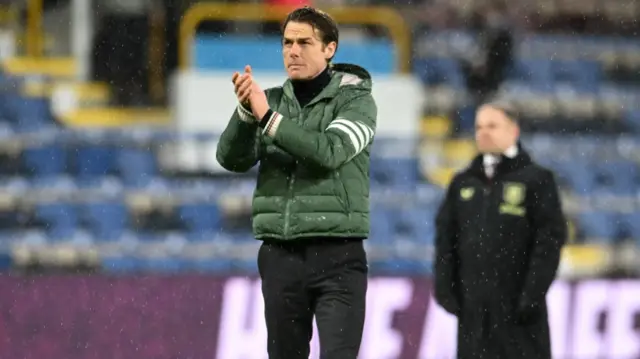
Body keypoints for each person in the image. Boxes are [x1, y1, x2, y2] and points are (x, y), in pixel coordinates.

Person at [216, 7, 376, 359]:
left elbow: (329, 153)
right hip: (280, 255)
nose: (293, 50)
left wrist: (267, 118)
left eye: (305, 42)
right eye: (287, 42)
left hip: (338, 254)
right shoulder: (269, 100)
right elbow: (230, 159)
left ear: (329, 49)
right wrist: (245, 113)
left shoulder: (357, 101)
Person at [434, 101, 567, 359]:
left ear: (513, 130)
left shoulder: (536, 180)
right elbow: (445, 238)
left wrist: (531, 296)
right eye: (479, 127)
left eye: (492, 125)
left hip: (520, 316)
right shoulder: (462, 182)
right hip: (473, 315)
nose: (483, 132)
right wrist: (445, 289)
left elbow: (549, 240)